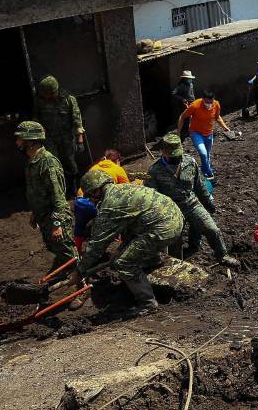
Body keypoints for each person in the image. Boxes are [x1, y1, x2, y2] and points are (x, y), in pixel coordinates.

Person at [77, 169, 183, 316]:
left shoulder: (109, 205)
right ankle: (151, 260)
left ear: (97, 190)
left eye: (90, 196)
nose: (90, 200)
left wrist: (80, 269)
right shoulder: (123, 188)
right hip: (174, 215)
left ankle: (147, 303)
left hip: (163, 228)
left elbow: (98, 244)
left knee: (123, 263)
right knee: (128, 245)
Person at [145, 133, 237, 266]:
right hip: (171, 210)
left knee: (212, 230)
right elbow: (152, 197)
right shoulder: (154, 171)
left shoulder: (190, 162)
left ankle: (223, 256)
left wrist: (208, 202)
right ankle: (177, 265)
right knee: (174, 242)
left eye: (178, 155)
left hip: (191, 203)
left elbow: (200, 185)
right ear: (163, 153)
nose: (176, 159)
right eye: (173, 156)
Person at [15, 120, 77, 272]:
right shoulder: (32, 161)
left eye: (20, 138)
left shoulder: (48, 163)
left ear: (30, 141)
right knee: (54, 247)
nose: (17, 142)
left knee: (67, 251)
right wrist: (35, 212)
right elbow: (37, 191)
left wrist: (57, 224)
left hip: (54, 217)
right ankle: (66, 271)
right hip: (43, 216)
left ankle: (79, 277)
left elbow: (58, 196)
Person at [33, 75, 86, 197]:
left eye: (49, 94)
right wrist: (39, 134)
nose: (47, 97)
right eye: (44, 95)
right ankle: (60, 191)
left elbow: (77, 120)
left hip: (66, 137)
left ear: (54, 91)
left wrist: (80, 140)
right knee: (54, 164)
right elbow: (36, 118)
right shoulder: (39, 101)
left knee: (70, 163)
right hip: (49, 139)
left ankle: (74, 188)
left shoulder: (68, 99)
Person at [72, 150, 130, 254]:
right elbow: (126, 190)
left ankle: (77, 251)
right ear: (117, 160)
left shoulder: (94, 167)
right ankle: (117, 240)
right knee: (118, 212)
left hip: (80, 201)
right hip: (95, 202)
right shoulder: (118, 169)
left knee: (79, 226)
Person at [177, 90, 231, 181]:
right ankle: (209, 173)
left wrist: (225, 127)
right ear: (203, 99)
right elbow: (182, 116)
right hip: (196, 133)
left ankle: (204, 174)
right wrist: (178, 132)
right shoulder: (195, 105)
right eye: (207, 102)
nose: (209, 105)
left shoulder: (216, 104)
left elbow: (217, 117)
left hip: (209, 133)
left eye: (211, 102)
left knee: (207, 154)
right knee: (203, 153)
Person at [172, 70, 197, 142]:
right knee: (186, 118)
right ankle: (184, 133)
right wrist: (182, 99)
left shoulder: (191, 84)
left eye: (190, 78)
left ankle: (189, 131)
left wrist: (194, 100)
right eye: (188, 78)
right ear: (185, 78)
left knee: (192, 117)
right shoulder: (180, 85)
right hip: (184, 103)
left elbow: (192, 93)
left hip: (192, 102)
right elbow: (173, 93)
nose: (190, 79)